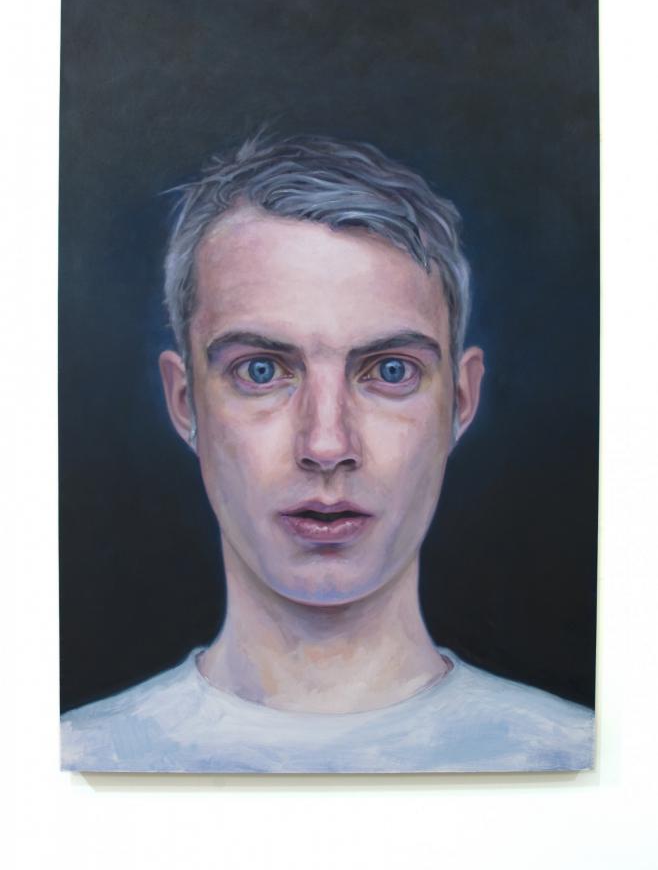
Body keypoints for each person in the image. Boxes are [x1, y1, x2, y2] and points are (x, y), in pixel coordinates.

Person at [61, 133, 594, 773]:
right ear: (184, 402)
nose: (326, 445)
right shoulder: (77, 758)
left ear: (460, 401)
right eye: (261, 370)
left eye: (390, 371)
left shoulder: (574, 754)